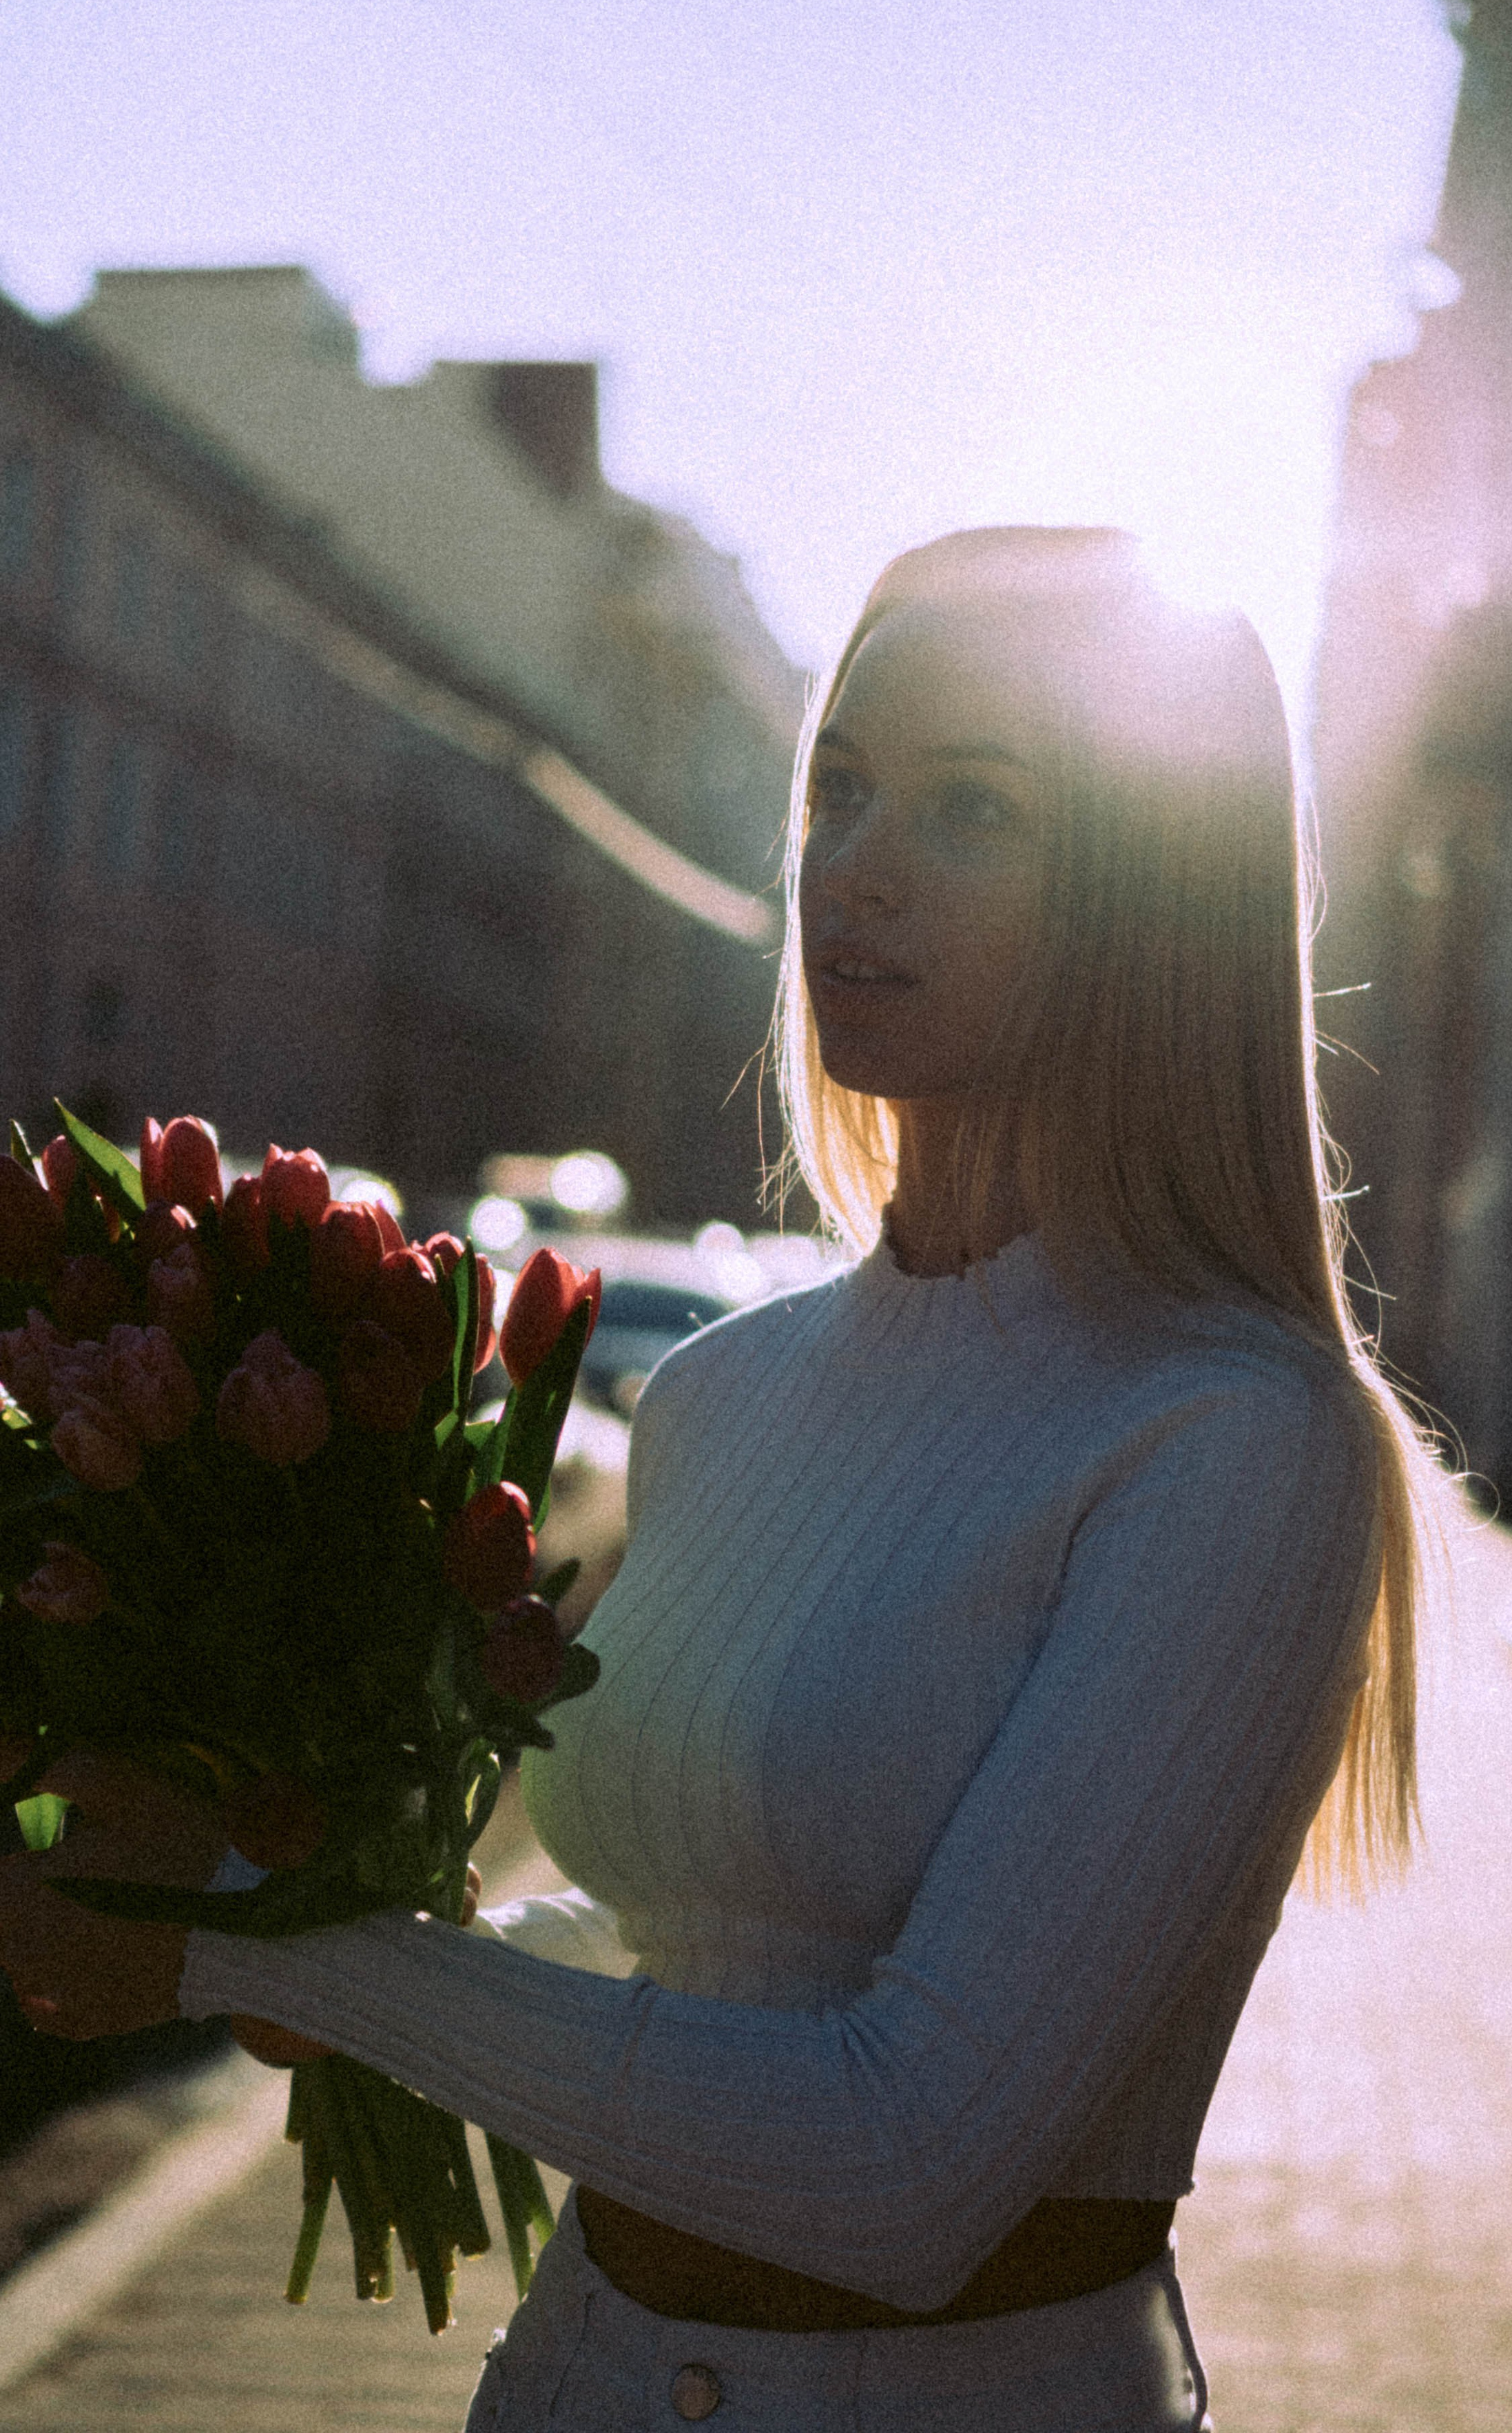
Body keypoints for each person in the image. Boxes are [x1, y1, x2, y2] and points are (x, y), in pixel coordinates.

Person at [0, 526, 1429, 2432]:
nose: (864, 867)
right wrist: (330, 1943)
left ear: (1155, 892)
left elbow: (907, 2166)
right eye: (841, 789)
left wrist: (253, 1931)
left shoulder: (1238, 1438)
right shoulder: (729, 1393)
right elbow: (692, 1937)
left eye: (974, 808)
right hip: (577, 2379)